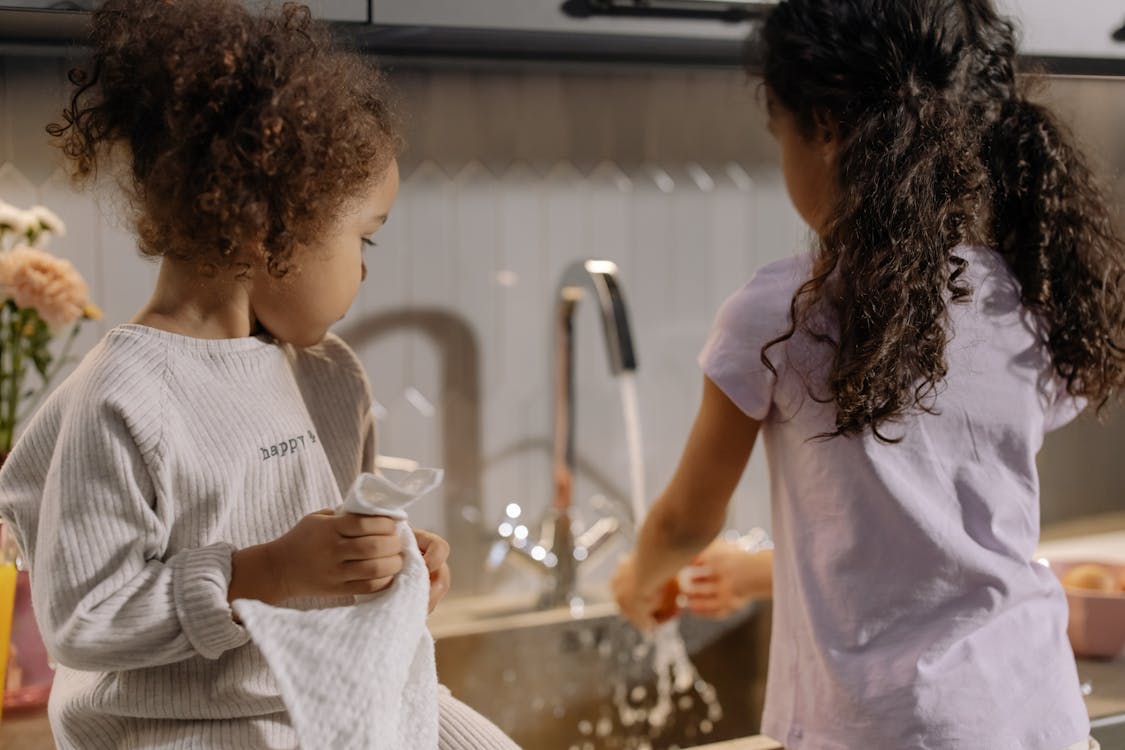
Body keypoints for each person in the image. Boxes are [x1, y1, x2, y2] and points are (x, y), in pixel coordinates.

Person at [0, 1, 518, 748]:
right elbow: (84, 617)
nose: (366, 270)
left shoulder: (328, 378)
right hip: (180, 732)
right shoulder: (123, 396)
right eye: (363, 238)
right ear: (265, 225)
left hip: (317, 706)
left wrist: (386, 569)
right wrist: (261, 573)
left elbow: (328, 565)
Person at [612, 1, 1125, 748]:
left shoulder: (782, 313)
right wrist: (759, 573)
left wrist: (634, 581)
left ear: (819, 127)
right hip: (1036, 711)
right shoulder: (1025, 300)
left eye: (778, 132)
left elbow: (686, 520)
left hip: (883, 729)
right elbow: (928, 532)